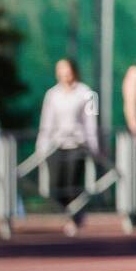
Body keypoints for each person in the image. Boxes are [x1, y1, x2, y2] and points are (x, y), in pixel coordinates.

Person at [35, 58, 98, 236]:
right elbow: (46, 122)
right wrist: (41, 146)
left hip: (78, 145)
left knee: (72, 184)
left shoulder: (89, 93)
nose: (64, 73)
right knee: (55, 185)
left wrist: (93, 146)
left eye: (67, 69)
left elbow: (91, 122)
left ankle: (74, 218)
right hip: (57, 145)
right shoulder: (51, 94)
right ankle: (71, 214)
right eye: (60, 69)